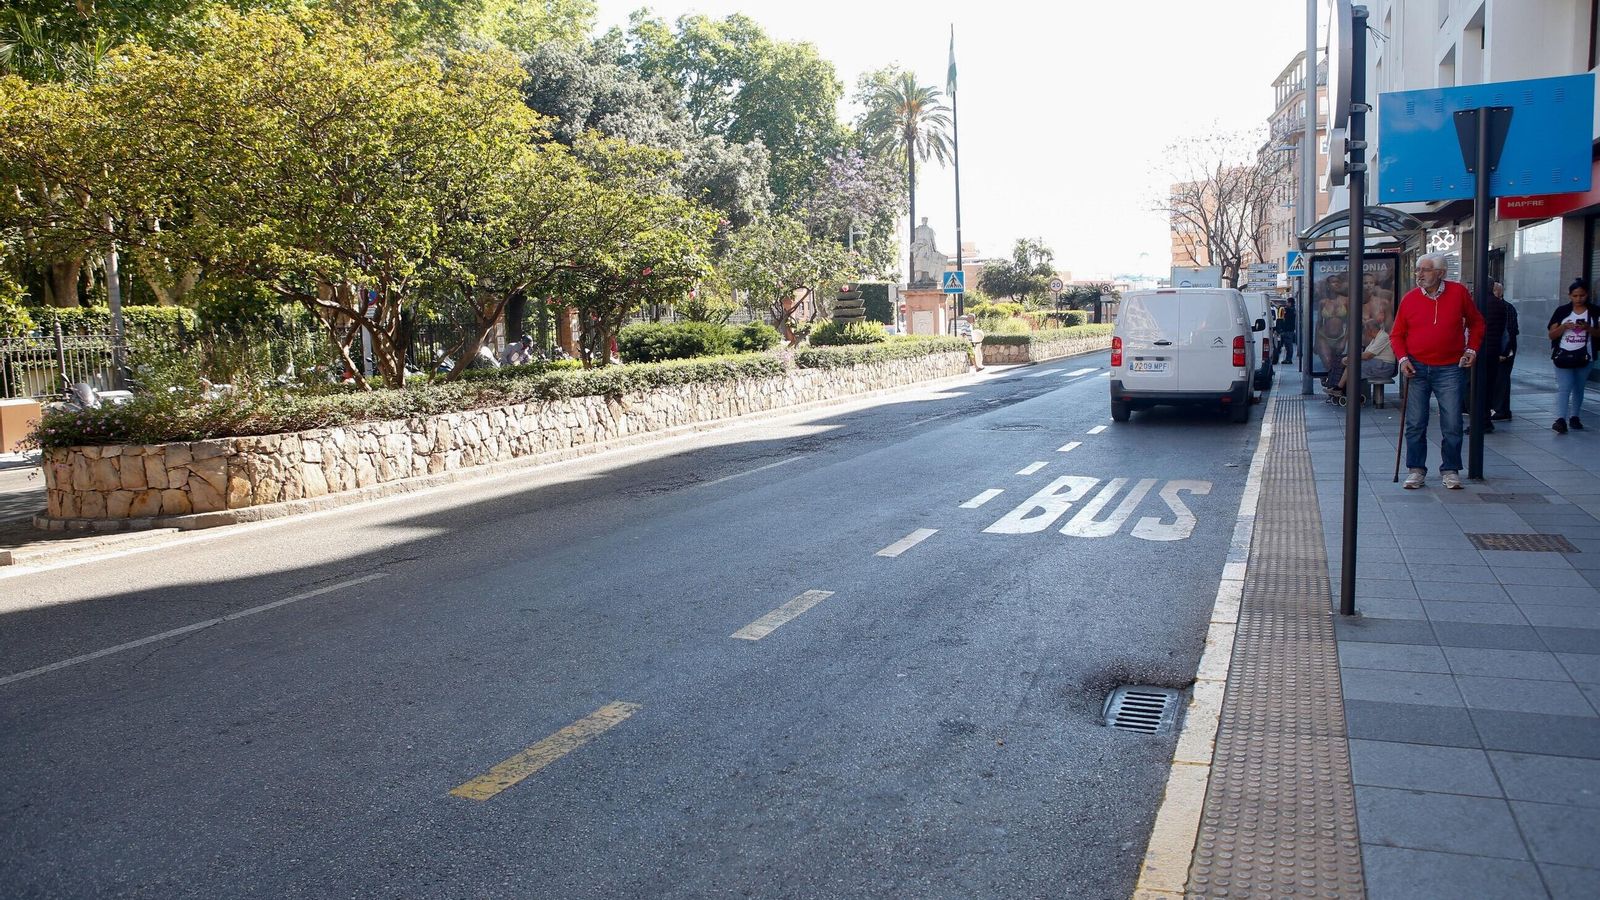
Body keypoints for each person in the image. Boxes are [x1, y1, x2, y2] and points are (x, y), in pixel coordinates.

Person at [1392, 252, 1485, 490]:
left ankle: (1450, 470)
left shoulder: (1458, 293)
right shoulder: (1410, 299)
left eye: (1425, 270)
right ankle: (1416, 470)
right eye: (1418, 270)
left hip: (1450, 367)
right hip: (1416, 367)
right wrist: (1403, 360)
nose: (1419, 275)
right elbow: (1397, 334)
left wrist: (1472, 350)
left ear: (1441, 273)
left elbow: (1477, 322)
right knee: (1415, 422)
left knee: (1452, 422)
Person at [1547, 278, 1598, 434]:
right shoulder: (1562, 311)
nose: (1578, 299)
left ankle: (1574, 416)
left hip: (1585, 355)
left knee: (1579, 387)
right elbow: (1551, 334)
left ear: (1587, 295)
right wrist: (1564, 326)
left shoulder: (1595, 312)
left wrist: (1588, 328)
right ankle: (1561, 419)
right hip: (1563, 355)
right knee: (1564, 387)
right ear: (1570, 296)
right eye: (1575, 296)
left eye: (1581, 295)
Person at [1327, 319, 1396, 398]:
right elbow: (1365, 355)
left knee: (1353, 366)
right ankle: (1340, 388)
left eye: (1365, 329)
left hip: (1384, 366)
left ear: (1370, 330)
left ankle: (1339, 389)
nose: (1365, 332)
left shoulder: (1383, 337)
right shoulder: (1376, 338)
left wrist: (1351, 358)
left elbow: (1367, 355)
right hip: (1378, 364)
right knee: (1350, 364)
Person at [1486, 282, 1518, 422]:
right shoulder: (1501, 306)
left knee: (1501, 379)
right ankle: (1498, 409)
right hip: (1498, 348)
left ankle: (1501, 410)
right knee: (1498, 379)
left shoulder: (1506, 307)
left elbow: (1510, 332)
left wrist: (1504, 352)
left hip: (1503, 349)